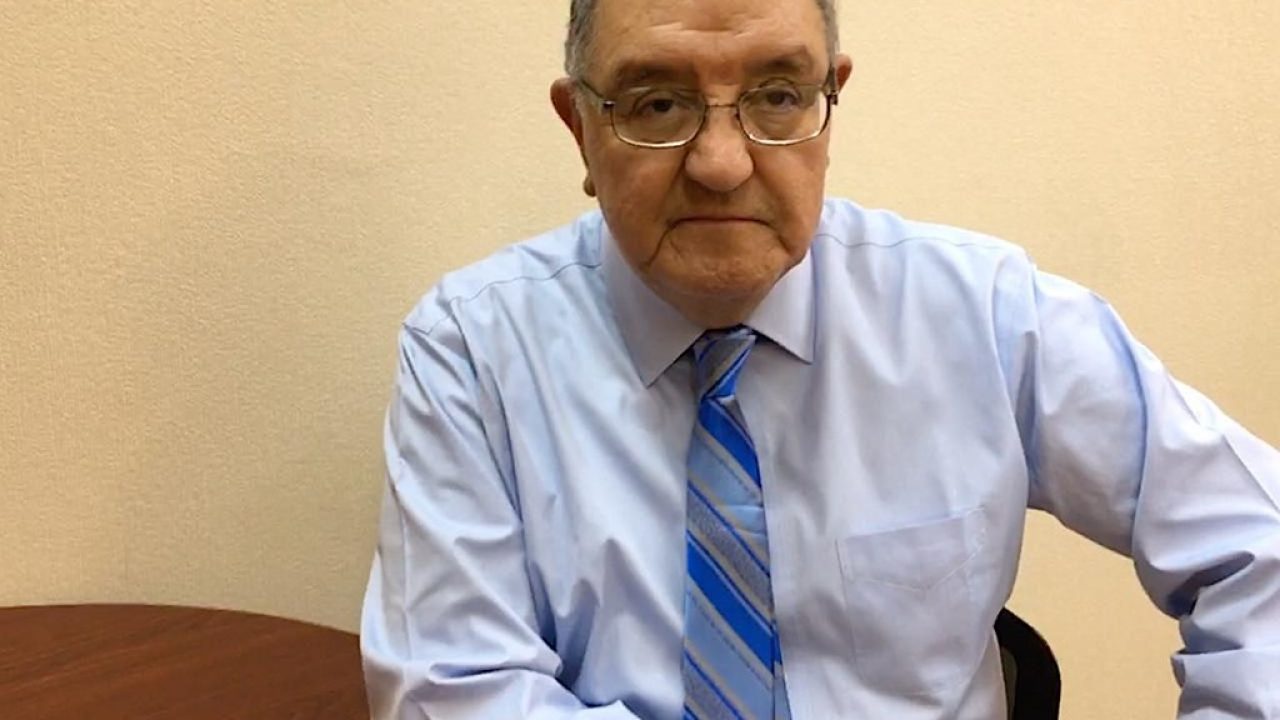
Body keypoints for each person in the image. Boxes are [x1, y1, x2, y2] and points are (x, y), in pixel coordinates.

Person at [360, 0, 1280, 717]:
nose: (722, 163)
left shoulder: (988, 315)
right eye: (657, 103)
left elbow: (1259, 545)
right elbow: (452, 688)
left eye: (775, 96)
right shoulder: (472, 351)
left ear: (828, 106)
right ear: (581, 130)